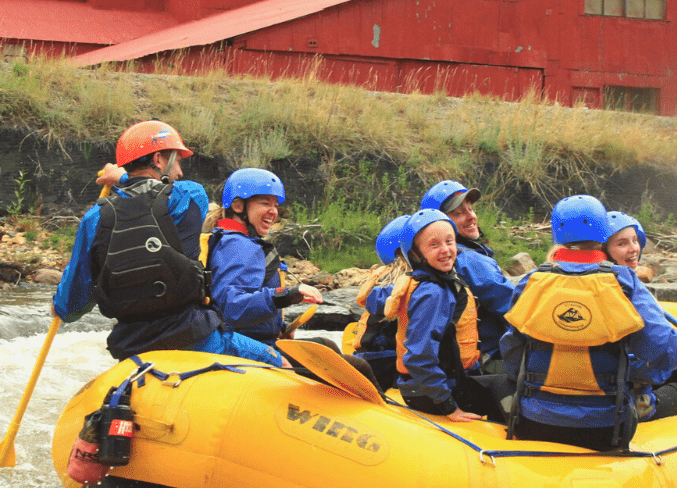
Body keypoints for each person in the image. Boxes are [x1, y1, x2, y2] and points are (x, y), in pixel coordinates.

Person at [53, 121, 284, 366]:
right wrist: (120, 177)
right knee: (282, 363)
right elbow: (154, 197)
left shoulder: (92, 219)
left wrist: (57, 306)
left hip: (131, 348)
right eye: (178, 162)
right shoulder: (191, 195)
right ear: (159, 160)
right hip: (193, 338)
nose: (180, 173)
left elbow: (69, 306)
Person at [501, 195, 677, 451]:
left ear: (557, 235)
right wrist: (637, 377)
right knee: (675, 392)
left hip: (535, 421)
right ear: (603, 236)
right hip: (605, 430)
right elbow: (667, 353)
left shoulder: (532, 281)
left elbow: (511, 350)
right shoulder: (624, 282)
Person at [383, 208, 506, 421]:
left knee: (494, 379)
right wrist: (449, 408)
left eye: (450, 242)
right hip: (433, 394)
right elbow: (418, 357)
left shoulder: (428, 281)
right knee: (508, 387)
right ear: (415, 254)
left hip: (433, 385)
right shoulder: (433, 293)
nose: (446, 250)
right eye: (434, 245)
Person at [207, 168, 323, 346]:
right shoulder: (238, 245)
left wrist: (279, 327)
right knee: (353, 364)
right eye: (265, 203)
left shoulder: (230, 240)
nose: (273, 212)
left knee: (323, 343)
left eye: (275, 205)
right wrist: (286, 295)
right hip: (241, 345)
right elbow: (230, 307)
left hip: (251, 339)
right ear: (238, 206)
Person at [420, 179, 515, 368]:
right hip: (487, 360)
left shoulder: (425, 258)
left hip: (449, 361)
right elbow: (517, 308)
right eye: (459, 213)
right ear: (441, 223)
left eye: (470, 209)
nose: (471, 217)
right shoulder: (470, 260)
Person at [348, 213, 411, 390]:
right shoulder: (402, 278)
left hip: (374, 355)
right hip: (384, 358)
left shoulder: (385, 275)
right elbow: (378, 302)